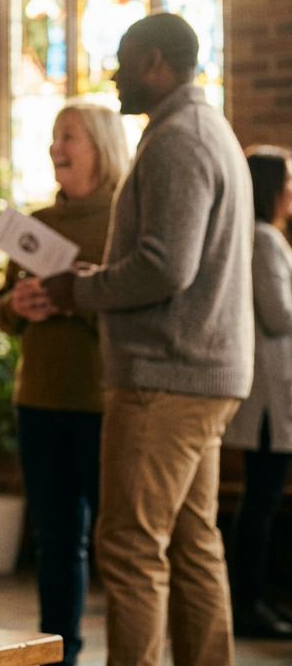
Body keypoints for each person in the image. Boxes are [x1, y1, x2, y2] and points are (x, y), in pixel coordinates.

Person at [41, 12, 253, 666]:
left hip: (163, 376)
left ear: (157, 62)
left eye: (125, 60)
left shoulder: (177, 139)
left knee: (131, 547)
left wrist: (82, 288)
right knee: (194, 544)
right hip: (201, 371)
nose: (115, 73)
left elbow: (166, 266)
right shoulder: (207, 128)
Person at [0, 102, 129, 664]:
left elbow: (135, 309)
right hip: (39, 401)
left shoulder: (125, 219)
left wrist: (79, 301)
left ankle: (129, 650)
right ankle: (59, 654)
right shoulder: (36, 224)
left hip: (102, 403)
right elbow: (1, 312)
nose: (56, 148)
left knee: (116, 546)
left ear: (101, 145)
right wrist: (18, 304)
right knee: (54, 543)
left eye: (68, 136)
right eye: (53, 137)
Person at [223, 145, 292, 639]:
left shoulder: (263, 238)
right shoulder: (265, 239)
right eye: (287, 181)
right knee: (260, 503)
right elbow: (278, 315)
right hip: (271, 395)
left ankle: (252, 598)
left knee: (261, 501)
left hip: (270, 389)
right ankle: (249, 602)